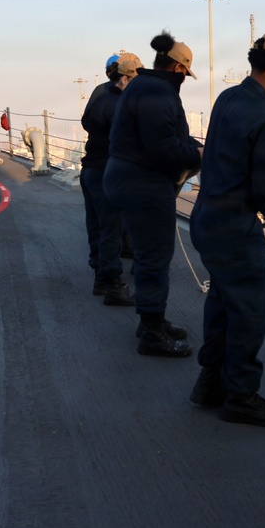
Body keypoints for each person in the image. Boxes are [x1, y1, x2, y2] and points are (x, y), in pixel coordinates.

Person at [188, 29, 265, 426]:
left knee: (224, 302)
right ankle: (241, 394)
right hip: (235, 226)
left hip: (207, 217)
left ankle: (210, 382)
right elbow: (263, 189)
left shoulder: (227, 99)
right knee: (250, 310)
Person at [103, 31, 202, 357]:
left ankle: (151, 322)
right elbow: (162, 148)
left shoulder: (144, 87)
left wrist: (189, 148)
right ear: (177, 69)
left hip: (127, 178)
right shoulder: (158, 93)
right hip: (143, 184)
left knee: (149, 256)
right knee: (154, 257)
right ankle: (152, 334)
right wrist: (197, 155)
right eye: (185, 76)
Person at [80, 53, 142, 307]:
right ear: (125, 79)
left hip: (90, 170)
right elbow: (126, 142)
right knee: (111, 231)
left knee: (96, 227)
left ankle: (100, 279)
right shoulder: (122, 106)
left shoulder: (99, 96)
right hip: (110, 173)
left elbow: (86, 122)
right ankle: (113, 284)